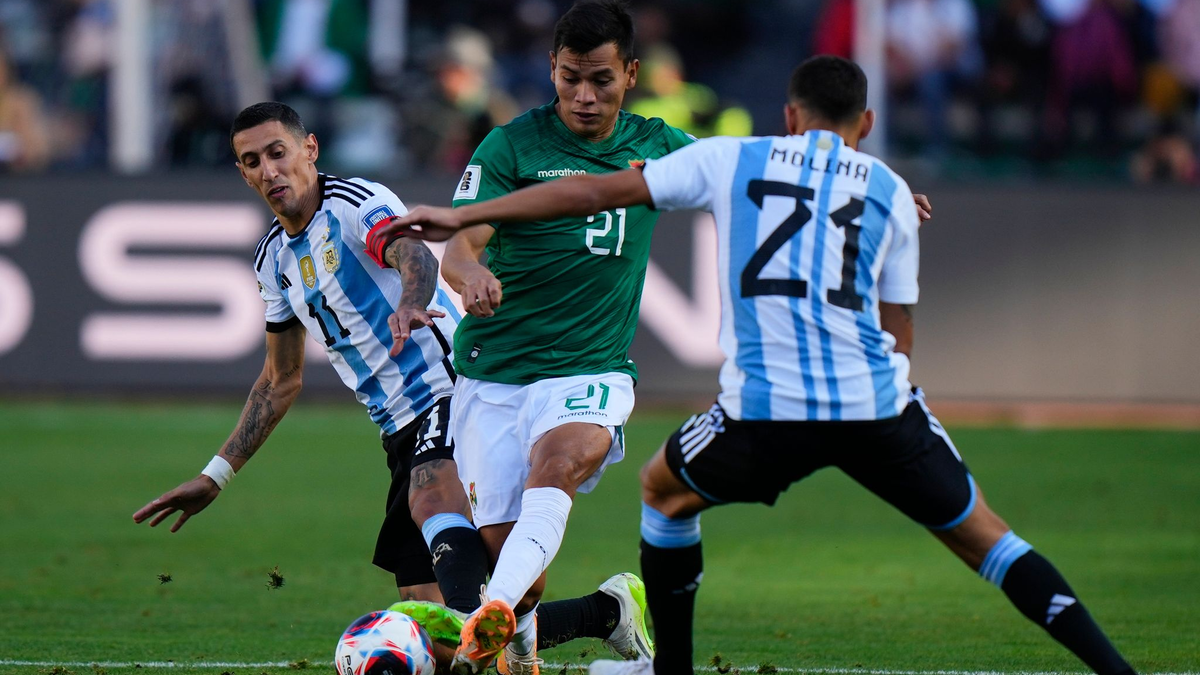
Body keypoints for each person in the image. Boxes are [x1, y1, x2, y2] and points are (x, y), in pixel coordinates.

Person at [381, 56, 1139, 675]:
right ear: (865, 125)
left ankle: (658, 664)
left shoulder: (730, 160)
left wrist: (456, 219)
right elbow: (899, 328)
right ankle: (1115, 667)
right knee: (993, 542)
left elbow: (590, 190)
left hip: (766, 409)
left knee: (663, 493)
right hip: (877, 407)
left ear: (787, 117)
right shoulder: (890, 192)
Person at [130, 101, 653, 671]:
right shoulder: (272, 260)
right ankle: (606, 612)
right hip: (395, 428)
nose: (269, 170)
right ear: (242, 172)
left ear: (309, 149)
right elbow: (280, 381)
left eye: (278, 153)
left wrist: (409, 304)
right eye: (252, 161)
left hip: (447, 388)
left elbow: (413, 256)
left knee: (432, 503)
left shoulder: (355, 204)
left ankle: (494, 649)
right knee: (435, 626)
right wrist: (216, 475)